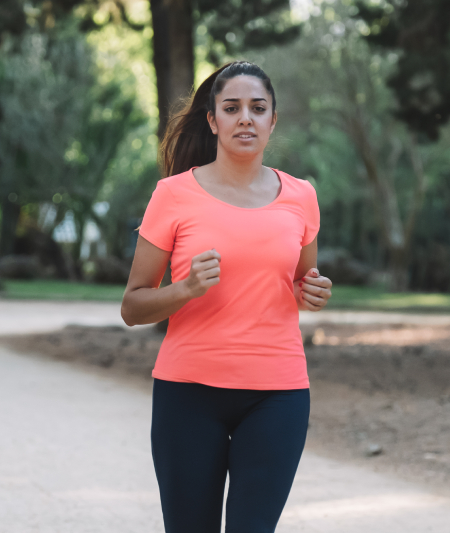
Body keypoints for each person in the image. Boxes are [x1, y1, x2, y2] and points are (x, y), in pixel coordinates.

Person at [120, 61, 333, 533]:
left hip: (278, 394)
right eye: (232, 108)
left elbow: (301, 282)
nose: (246, 118)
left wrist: (311, 291)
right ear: (213, 120)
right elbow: (132, 306)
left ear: (273, 120)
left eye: (258, 108)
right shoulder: (172, 195)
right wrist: (185, 289)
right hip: (189, 394)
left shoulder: (300, 197)